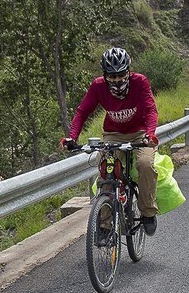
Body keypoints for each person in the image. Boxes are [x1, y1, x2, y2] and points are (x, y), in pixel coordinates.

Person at [62, 47, 159, 236]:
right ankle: (105, 226)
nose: (116, 80)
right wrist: (72, 137)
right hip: (113, 134)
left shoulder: (140, 82)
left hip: (140, 134)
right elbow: (82, 112)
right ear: (105, 75)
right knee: (107, 172)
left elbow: (150, 110)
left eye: (121, 75)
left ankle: (148, 213)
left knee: (145, 164)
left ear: (128, 71)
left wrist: (149, 134)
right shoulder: (98, 86)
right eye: (111, 76)